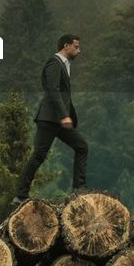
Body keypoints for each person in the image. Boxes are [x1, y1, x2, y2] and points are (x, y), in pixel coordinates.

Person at [14, 33, 88, 205]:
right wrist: (64, 115)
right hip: (49, 119)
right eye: (76, 47)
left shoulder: (65, 65)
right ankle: (20, 195)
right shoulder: (54, 63)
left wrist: (68, 116)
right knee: (39, 155)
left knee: (82, 146)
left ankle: (80, 190)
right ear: (66, 46)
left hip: (59, 120)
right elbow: (52, 91)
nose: (79, 51)